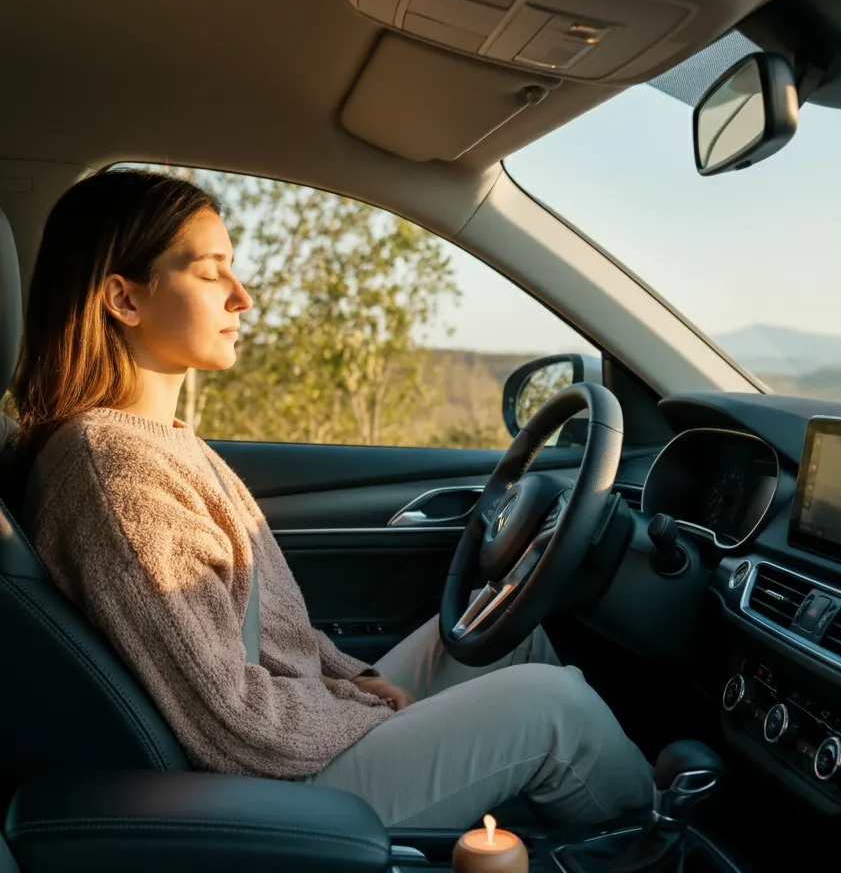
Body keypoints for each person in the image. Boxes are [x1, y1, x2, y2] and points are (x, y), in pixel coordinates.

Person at [7, 169, 651, 829]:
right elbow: (228, 720)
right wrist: (362, 707)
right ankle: (661, 865)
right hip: (274, 788)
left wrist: (351, 677)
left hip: (285, 739)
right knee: (556, 708)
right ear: (124, 298)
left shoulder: (155, 444)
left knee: (502, 633)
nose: (243, 296)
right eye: (211, 272)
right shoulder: (117, 472)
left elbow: (263, 639)